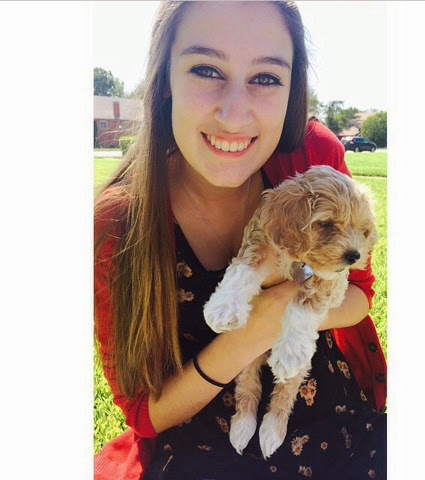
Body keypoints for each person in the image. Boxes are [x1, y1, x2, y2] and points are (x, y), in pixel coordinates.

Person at [94, 1, 387, 479]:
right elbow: (146, 412)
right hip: (199, 442)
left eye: (266, 77)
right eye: (206, 69)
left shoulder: (313, 156)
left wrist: (294, 312)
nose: (233, 115)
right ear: (164, 80)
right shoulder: (117, 223)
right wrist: (251, 332)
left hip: (336, 418)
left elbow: (359, 295)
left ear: (293, 90)